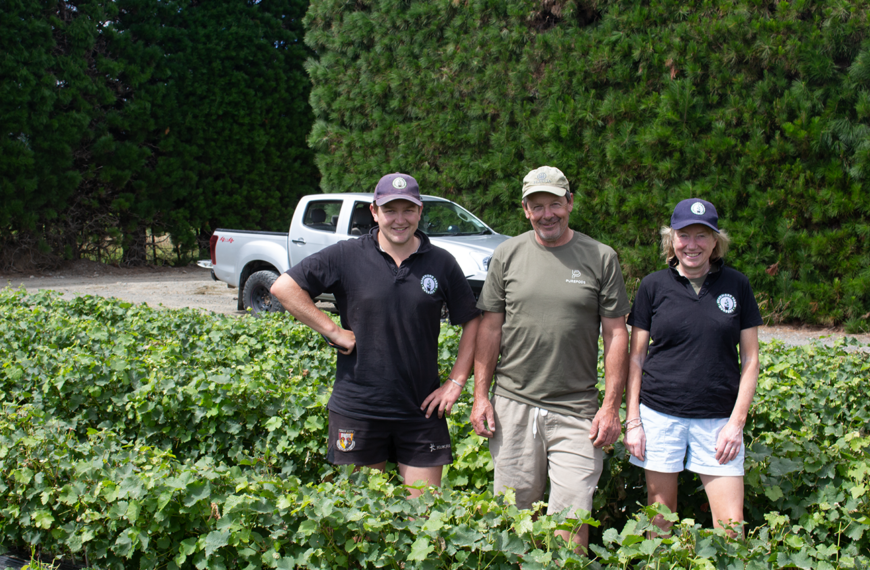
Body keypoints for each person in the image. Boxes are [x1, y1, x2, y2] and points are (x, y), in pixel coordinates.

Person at [270, 173, 481, 498]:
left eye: (408, 210)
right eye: (390, 210)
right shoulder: (345, 255)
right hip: (359, 408)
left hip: (421, 410)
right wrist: (333, 330)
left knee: (425, 517)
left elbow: (472, 321)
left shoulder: (441, 263)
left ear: (420, 211)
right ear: (374, 212)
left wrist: (456, 382)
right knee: (363, 522)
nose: (399, 219)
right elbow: (283, 287)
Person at [470, 166, 630, 549]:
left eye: (555, 204)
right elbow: (490, 329)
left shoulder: (600, 257)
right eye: (537, 206)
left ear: (570, 203)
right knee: (514, 519)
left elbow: (616, 333)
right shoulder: (507, 255)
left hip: (576, 410)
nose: (547, 214)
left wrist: (610, 407)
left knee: (571, 524)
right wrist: (480, 397)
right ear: (525, 209)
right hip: (513, 405)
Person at [623, 198, 761, 536]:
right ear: (672, 240)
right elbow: (637, 358)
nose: (692, 245)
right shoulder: (652, 286)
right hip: (660, 415)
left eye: (702, 235)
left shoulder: (737, 285)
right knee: (660, 521)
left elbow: (752, 359)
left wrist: (736, 424)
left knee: (731, 527)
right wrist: (633, 421)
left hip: (718, 421)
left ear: (716, 241)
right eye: (684, 235)